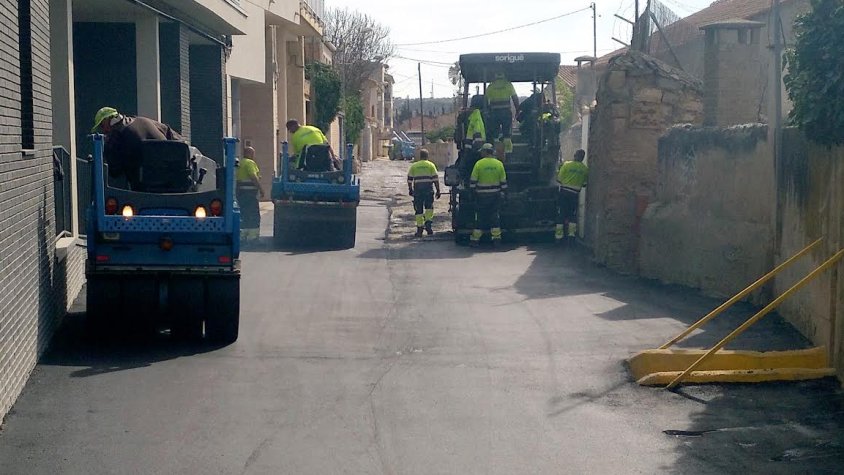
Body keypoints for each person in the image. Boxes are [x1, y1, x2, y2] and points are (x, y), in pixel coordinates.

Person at [91, 106, 184, 190]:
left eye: (102, 125)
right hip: (173, 183)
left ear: (109, 119)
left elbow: (114, 171)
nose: (103, 130)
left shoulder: (116, 137)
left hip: (143, 189)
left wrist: (107, 148)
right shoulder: (143, 120)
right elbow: (176, 138)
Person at [469, 143, 508, 247]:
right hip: (495, 195)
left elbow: (473, 181)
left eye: (482, 151)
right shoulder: (499, 164)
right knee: (495, 217)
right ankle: (496, 239)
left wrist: (472, 193)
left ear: (485, 152)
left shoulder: (479, 164)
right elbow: (503, 182)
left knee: (480, 218)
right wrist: (503, 193)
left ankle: (475, 240)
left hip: (481, 196)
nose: (481, 153)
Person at [555, 149, 588, 243]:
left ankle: (559, 236)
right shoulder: (585, 169)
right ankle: (571, 236)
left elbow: (559, 179)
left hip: (564, 193)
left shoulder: (566, 164)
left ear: (574, 155)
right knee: (572, 214)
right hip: (574, 194)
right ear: (582, 158)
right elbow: (584, 184)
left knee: (561, 213)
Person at [407, 149, 441, 237]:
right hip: (428, 190)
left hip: (418, 191)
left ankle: (419, 229)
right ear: (427, 156)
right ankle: (428, 224)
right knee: (429, 207)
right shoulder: (431, 165)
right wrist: (438, 190)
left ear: (420, 156)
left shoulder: (414, 166)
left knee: (419, 209)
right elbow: (435, 179)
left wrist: (410, 189)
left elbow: (410, 179)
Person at [236, 142, 265, 242]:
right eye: (252, 153)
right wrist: (261, 189)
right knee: (254, 214)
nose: (253, 156)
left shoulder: (240, 163)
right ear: (249, 154)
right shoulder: (250, 163)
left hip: (240, 193)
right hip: (250, 194)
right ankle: (253, 236)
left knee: (244, 214)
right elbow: (253, 177)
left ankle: (243, 235)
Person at [485, 72, 519, 156]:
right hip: (506, 113)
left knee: (495, 134)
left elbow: (485, 101)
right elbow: (514, 98)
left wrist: (486, 112)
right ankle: (508, 152)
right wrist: (518, 110)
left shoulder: (491, 86)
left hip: (494, 113)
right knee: (507, 134)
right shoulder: (508, 85)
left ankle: (495, 152)